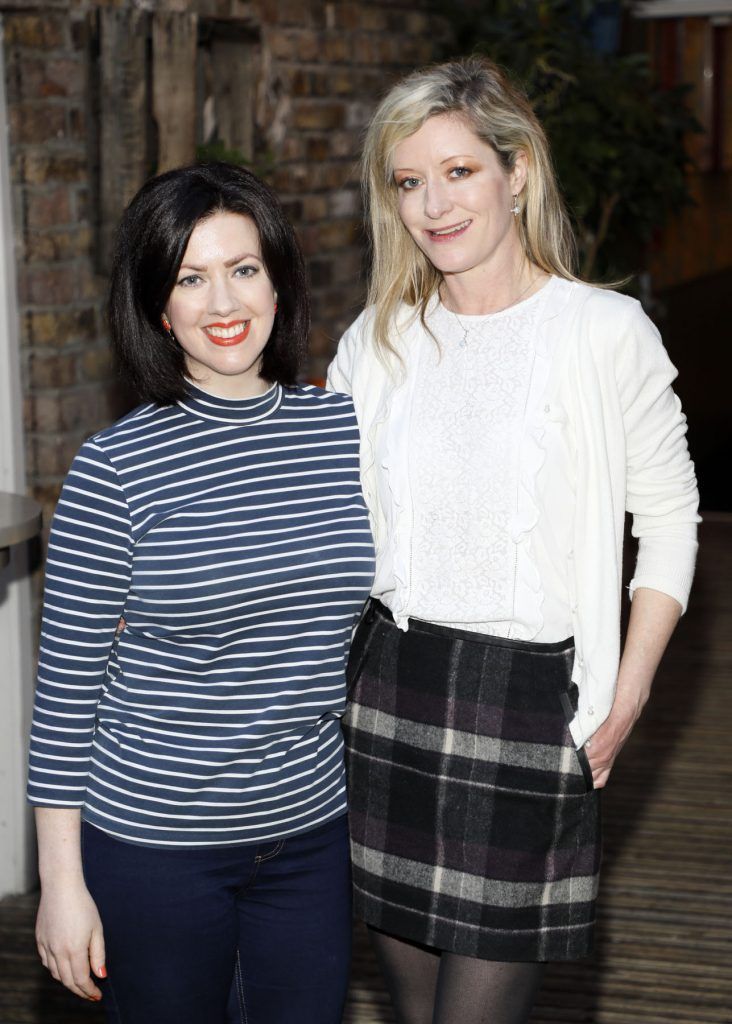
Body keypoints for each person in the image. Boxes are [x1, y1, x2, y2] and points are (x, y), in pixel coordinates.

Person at [327, 57, 700, 1024]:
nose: (434, 204)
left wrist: (630, 694)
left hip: (532, 703)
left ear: (518, 170)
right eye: (408, 182)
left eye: (458, 171)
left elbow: (668, 522)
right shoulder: (375, 341)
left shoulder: (603, 331)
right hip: (386, 691)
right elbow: (322, 520)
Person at [27, 161, 375, 1024]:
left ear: (279, 285)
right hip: (154, 845)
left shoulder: (346, 432)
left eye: (243, 269)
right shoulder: (115, 470)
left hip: (310, 834)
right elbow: (65, 692)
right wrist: (60, 886)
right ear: (157, 306)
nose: (223, 302)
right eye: (190, 277)